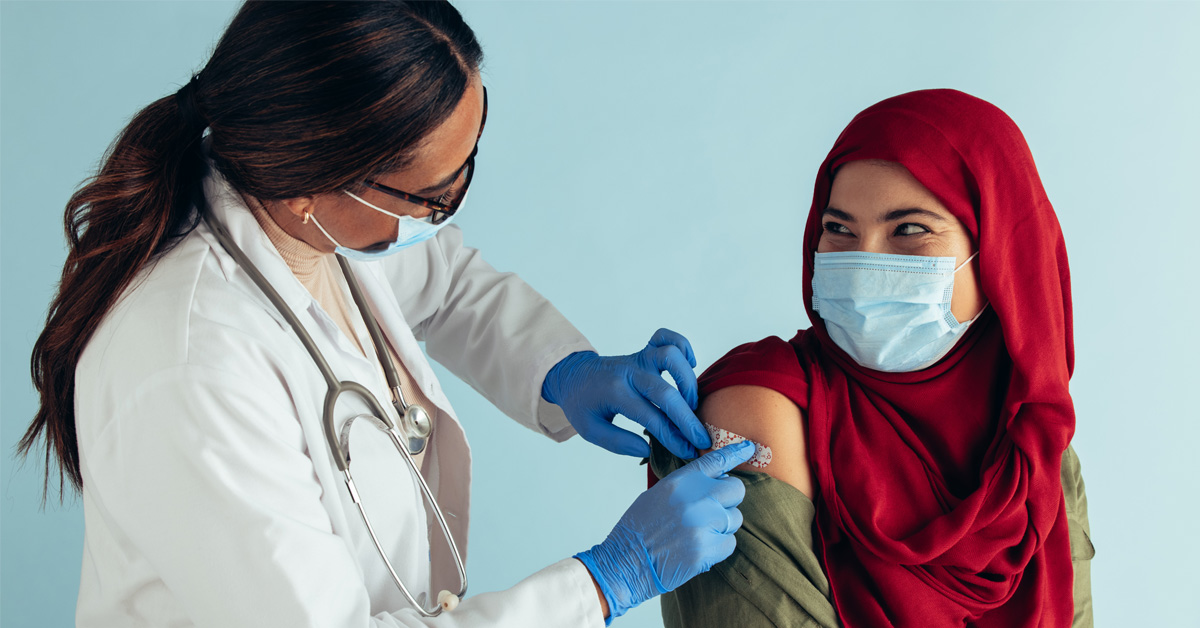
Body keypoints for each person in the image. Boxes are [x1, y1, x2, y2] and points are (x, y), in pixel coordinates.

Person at [17, 2, 755, 626]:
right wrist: (603, 580)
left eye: (467, 167)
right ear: (316, 183)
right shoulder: (189, 365)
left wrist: (567, 371)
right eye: (434, 196)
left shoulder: (298, 222)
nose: (452, 210)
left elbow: (445, 281)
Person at [648, 89, 1094, 627]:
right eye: (839, 230)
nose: (863, 267)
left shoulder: (1033, 453)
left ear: (1001, 256)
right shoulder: (759, 407)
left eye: (909, 230)